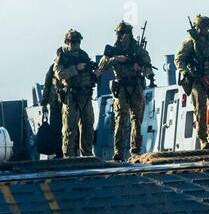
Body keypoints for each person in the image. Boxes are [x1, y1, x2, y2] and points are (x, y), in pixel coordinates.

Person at [99, 21, 153, 161]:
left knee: (137, 120)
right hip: (121, 87)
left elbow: (148, 69)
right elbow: (102, 66)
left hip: (135, 86)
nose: (120, 36)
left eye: (122, 33)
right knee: (121, 120)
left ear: (129, 34)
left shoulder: (138, 50)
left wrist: (139, 67)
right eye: (118, 33)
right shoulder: (113, 49)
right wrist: (117, 59)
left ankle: (135, 150)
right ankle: (119, 152)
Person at [175, 14, 209, 149]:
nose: (206, 30)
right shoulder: (189, 43)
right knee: (200, 109)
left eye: (207, 27)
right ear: (197, 28)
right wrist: (186, 72)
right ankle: (203, 138)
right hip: (197, 79)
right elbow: (179, 60)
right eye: (204, 27)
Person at [53, 29, 97, 157]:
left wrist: (94, 74)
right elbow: (60, 74)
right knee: (69, 130)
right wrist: (76, 69)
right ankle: (68, 157)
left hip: (85, 95)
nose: (76, 45)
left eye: (78, 42)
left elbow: (89, 74)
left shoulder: (83, 55)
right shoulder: (62, 56)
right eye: (73, 42)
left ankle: (87, 155)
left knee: (88, 127)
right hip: (71, 97)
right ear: (67, 42)